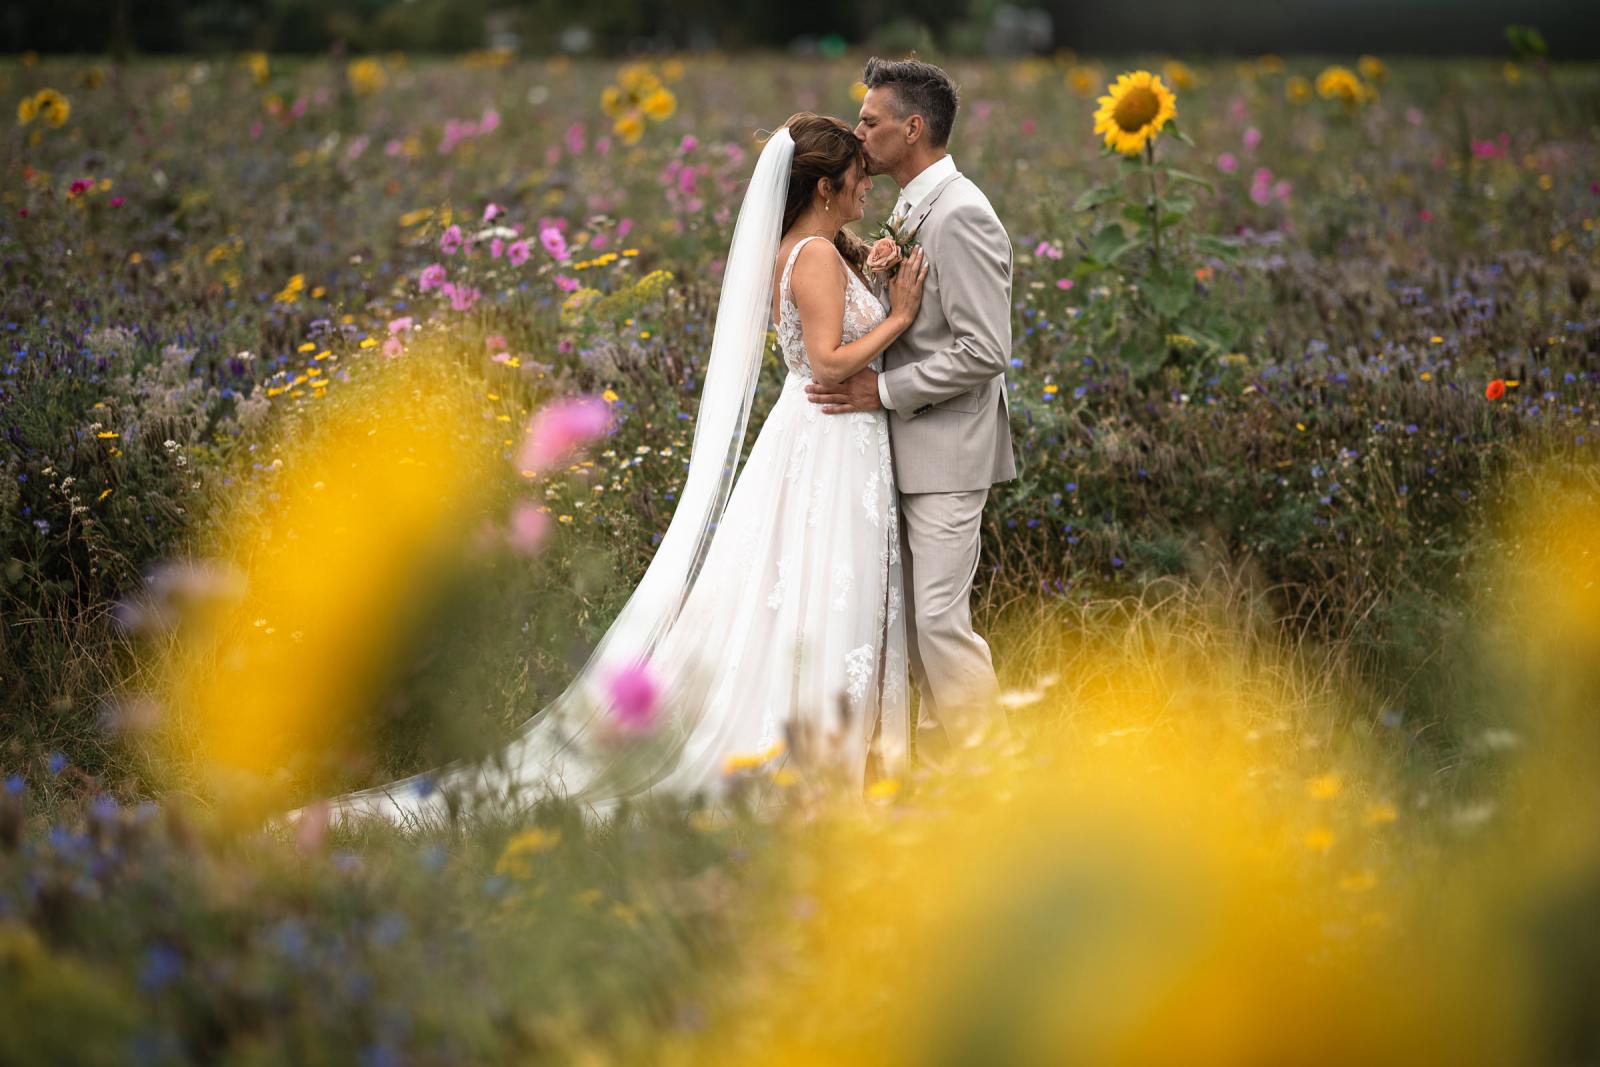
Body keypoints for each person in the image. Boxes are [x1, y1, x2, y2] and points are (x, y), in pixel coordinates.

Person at [281, 113, 929, 830]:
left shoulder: (813, 248)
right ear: (824, 185)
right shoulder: (810, 256)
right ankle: (816, 753)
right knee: (820, 585)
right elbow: (833, 360)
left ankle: (832, 742)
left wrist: (869, 271)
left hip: (825, 440)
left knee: (807, 586)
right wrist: (898, 314)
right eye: (858, 179)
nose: (866, 189)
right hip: (829, 442)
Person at [806, 56, 1018, 769]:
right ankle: (941, 772)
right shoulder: (909, 208)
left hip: (948, 454)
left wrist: (882, 391)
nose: (858, 131)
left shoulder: (962, 215)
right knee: (910, 627)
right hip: (900, 448)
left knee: (938, 625)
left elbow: (985, 350)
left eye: (870, 120)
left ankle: (1000, 777)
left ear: (913, 127)